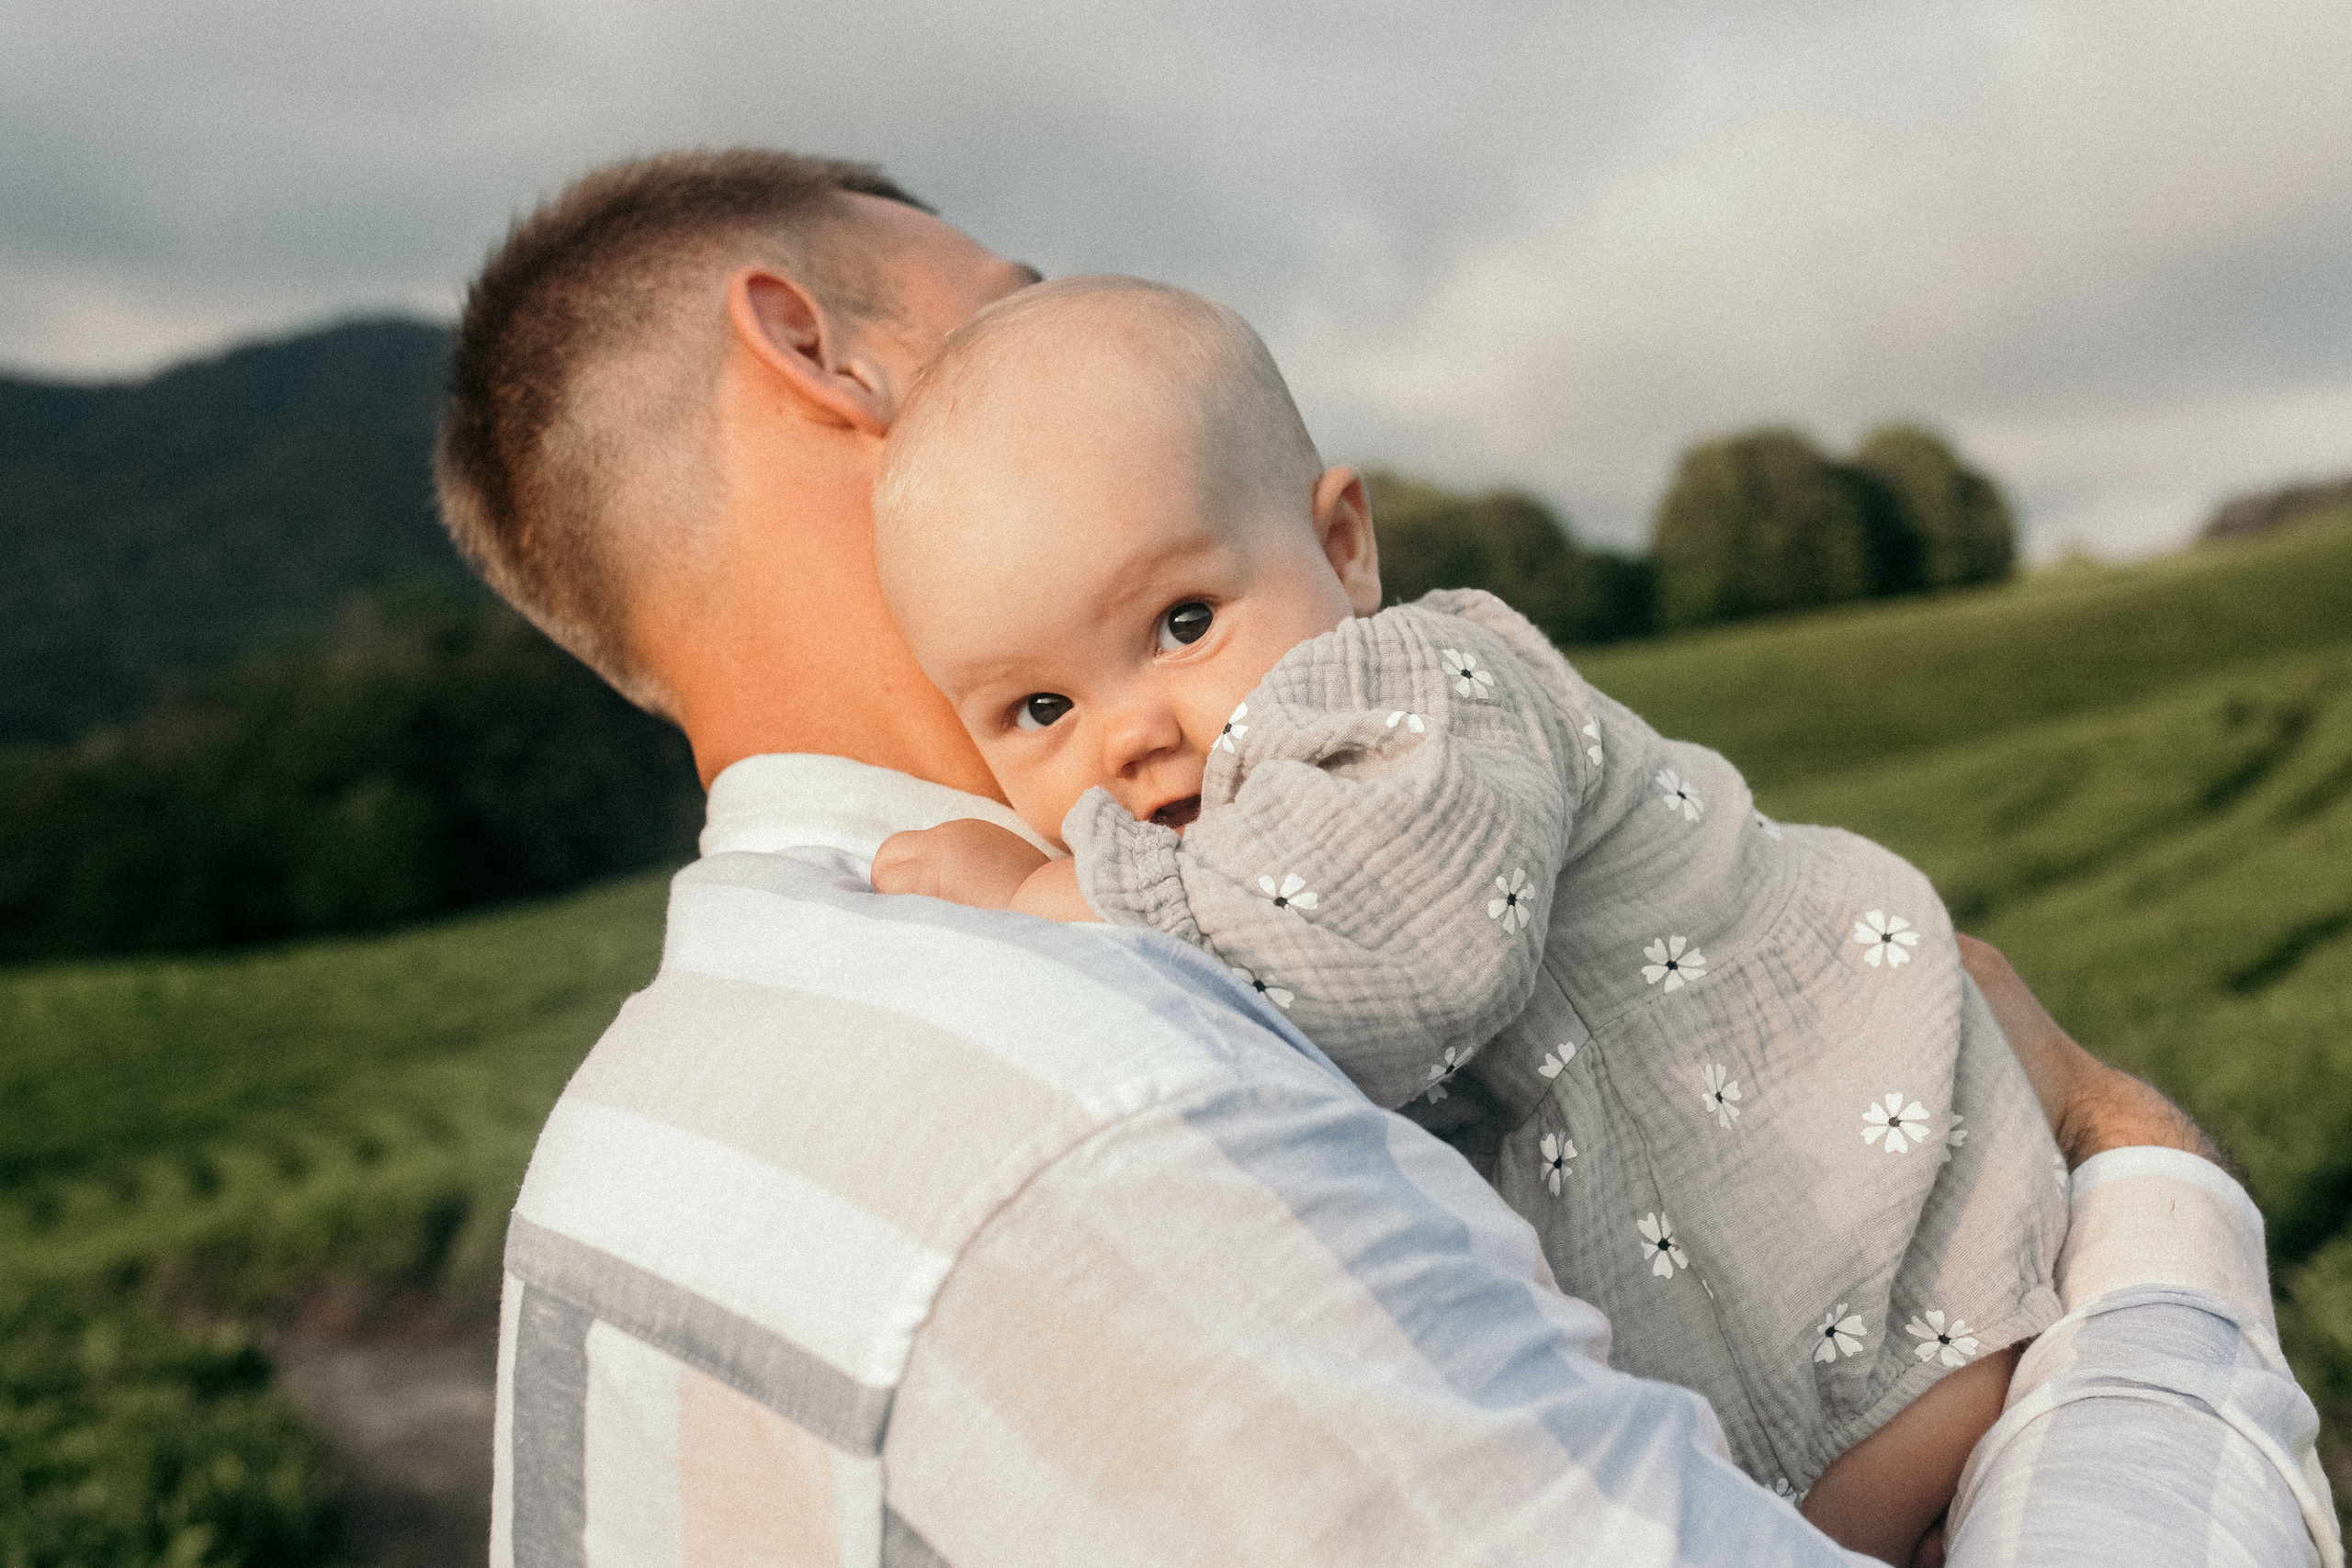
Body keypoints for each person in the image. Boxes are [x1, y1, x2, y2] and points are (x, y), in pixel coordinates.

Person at [435, 149, 2341, 1567]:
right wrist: (2144, 1193)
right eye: (1012, 302)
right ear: (818, 353)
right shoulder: (1119, 1070)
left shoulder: (622, 1139)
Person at [862, 276, 2063, 1564]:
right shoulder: (1230, 819)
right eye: (1040, 711)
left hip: (1889, 1275)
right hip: (1797, 1319)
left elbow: (1388, 944)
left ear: (1343, 549)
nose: (1131, 736)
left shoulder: (1419, 691)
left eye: (1183, 622)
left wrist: (1046, 891)